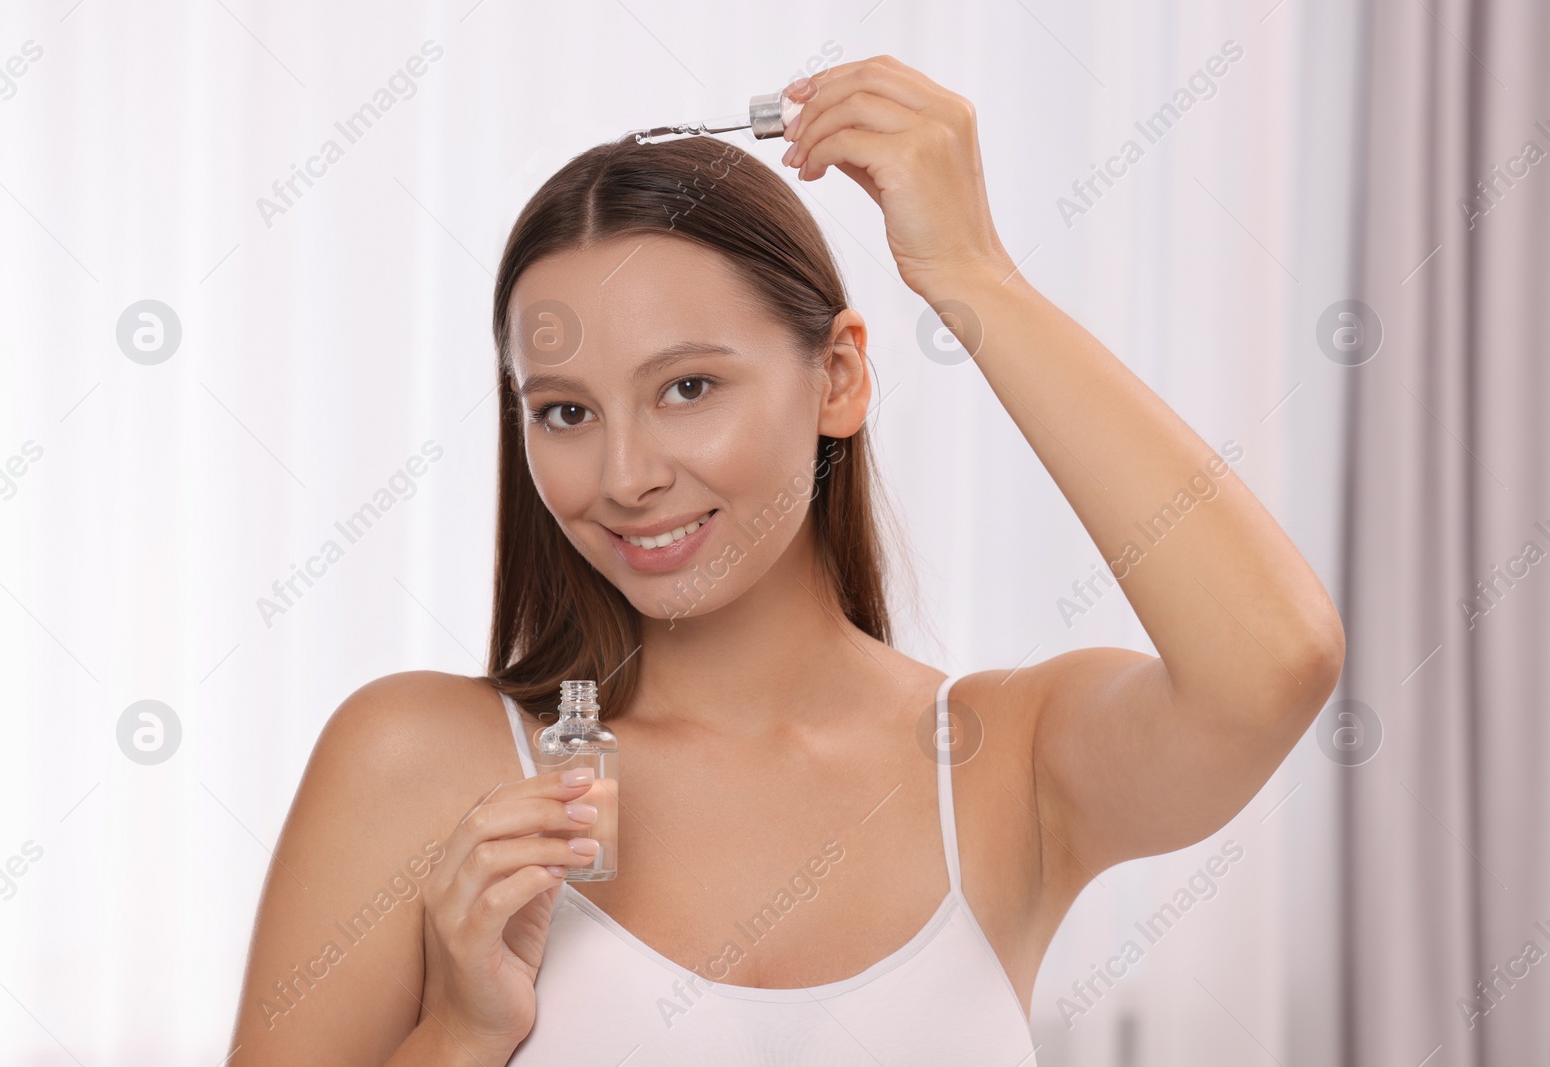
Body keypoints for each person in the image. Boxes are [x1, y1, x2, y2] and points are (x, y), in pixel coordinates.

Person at [227, 55, 1344, 1066]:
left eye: (687, 387)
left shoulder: (1003, 766)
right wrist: (466, 1032)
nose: (623, 474)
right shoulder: (424, 759)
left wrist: (973, 273)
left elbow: (1273, 662)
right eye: (564, 410)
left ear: (839, 379)